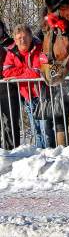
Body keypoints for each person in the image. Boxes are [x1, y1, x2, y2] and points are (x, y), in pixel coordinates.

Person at [2, 24, 55, 148]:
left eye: (25, 37)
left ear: (31, 37)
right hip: (27, 97)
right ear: (14, 39)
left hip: (42, 95)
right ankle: (40, 157)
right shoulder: (11, 52)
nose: (22, 40)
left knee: (46, 130)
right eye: (19, 37)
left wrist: (17, 76)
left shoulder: (41, 48)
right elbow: (6, 71)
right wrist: (26, 72)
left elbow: (38, 71)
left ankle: (51, 156)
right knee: (36, 130)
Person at [0, 20, 20, 149]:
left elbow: (19, 63)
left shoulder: (11, 44)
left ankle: (12, 150)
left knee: (10, 121)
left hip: (8, 87)